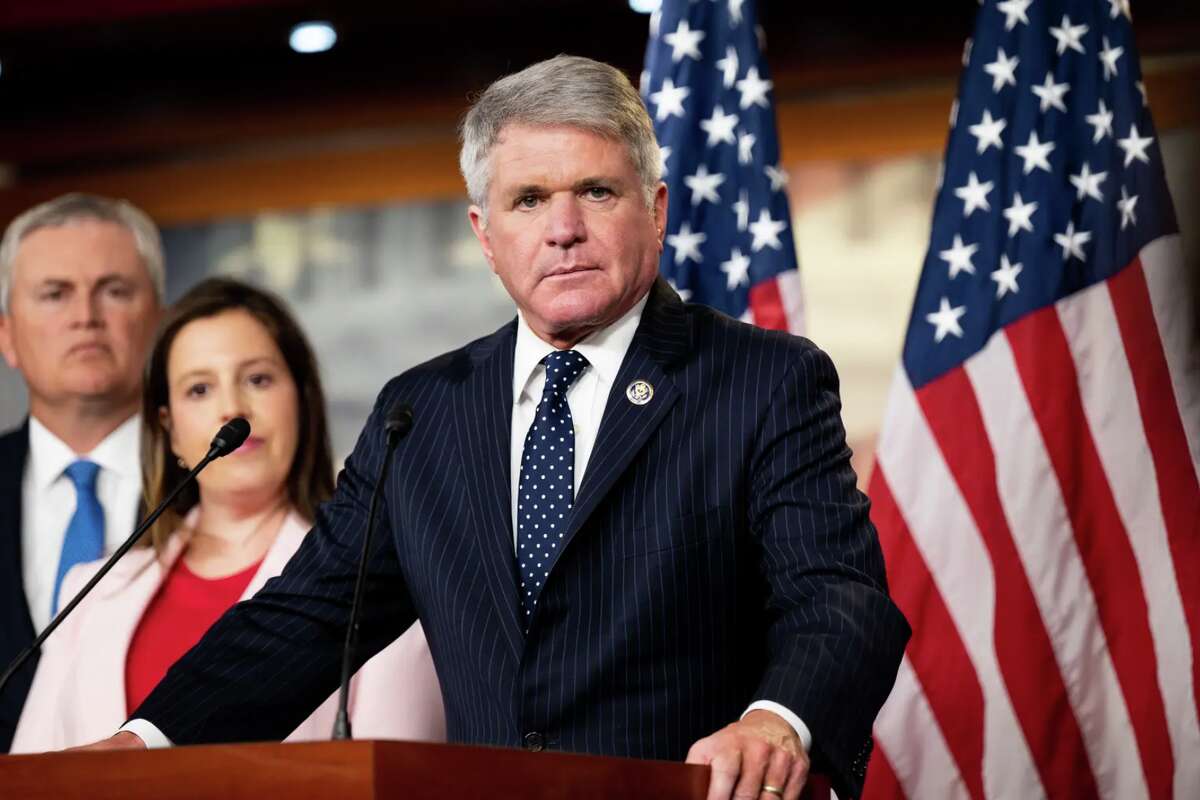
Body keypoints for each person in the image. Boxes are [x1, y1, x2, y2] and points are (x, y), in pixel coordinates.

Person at [91, 56, 909, 800]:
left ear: (655, 211)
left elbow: (838, 596)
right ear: (486, 236)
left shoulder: (763, 381)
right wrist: (147, 740)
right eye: (528, 200)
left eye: (596, 191)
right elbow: (307, 616)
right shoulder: (423, 412)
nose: (563, 229)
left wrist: (778, 720)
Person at [10, 278, 444, 751]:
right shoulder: (90, 592)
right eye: (199, 389)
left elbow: (390, 776)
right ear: (168, 427)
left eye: (258, 379)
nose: (232, 406)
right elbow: (31, 772)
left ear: (302, 399)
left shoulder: (377, 582)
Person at [0, 194, 164, 753]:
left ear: (159, 322)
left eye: (114, 290)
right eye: (54, 294)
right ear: (6, 336)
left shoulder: (221, 483)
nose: (85, 317)